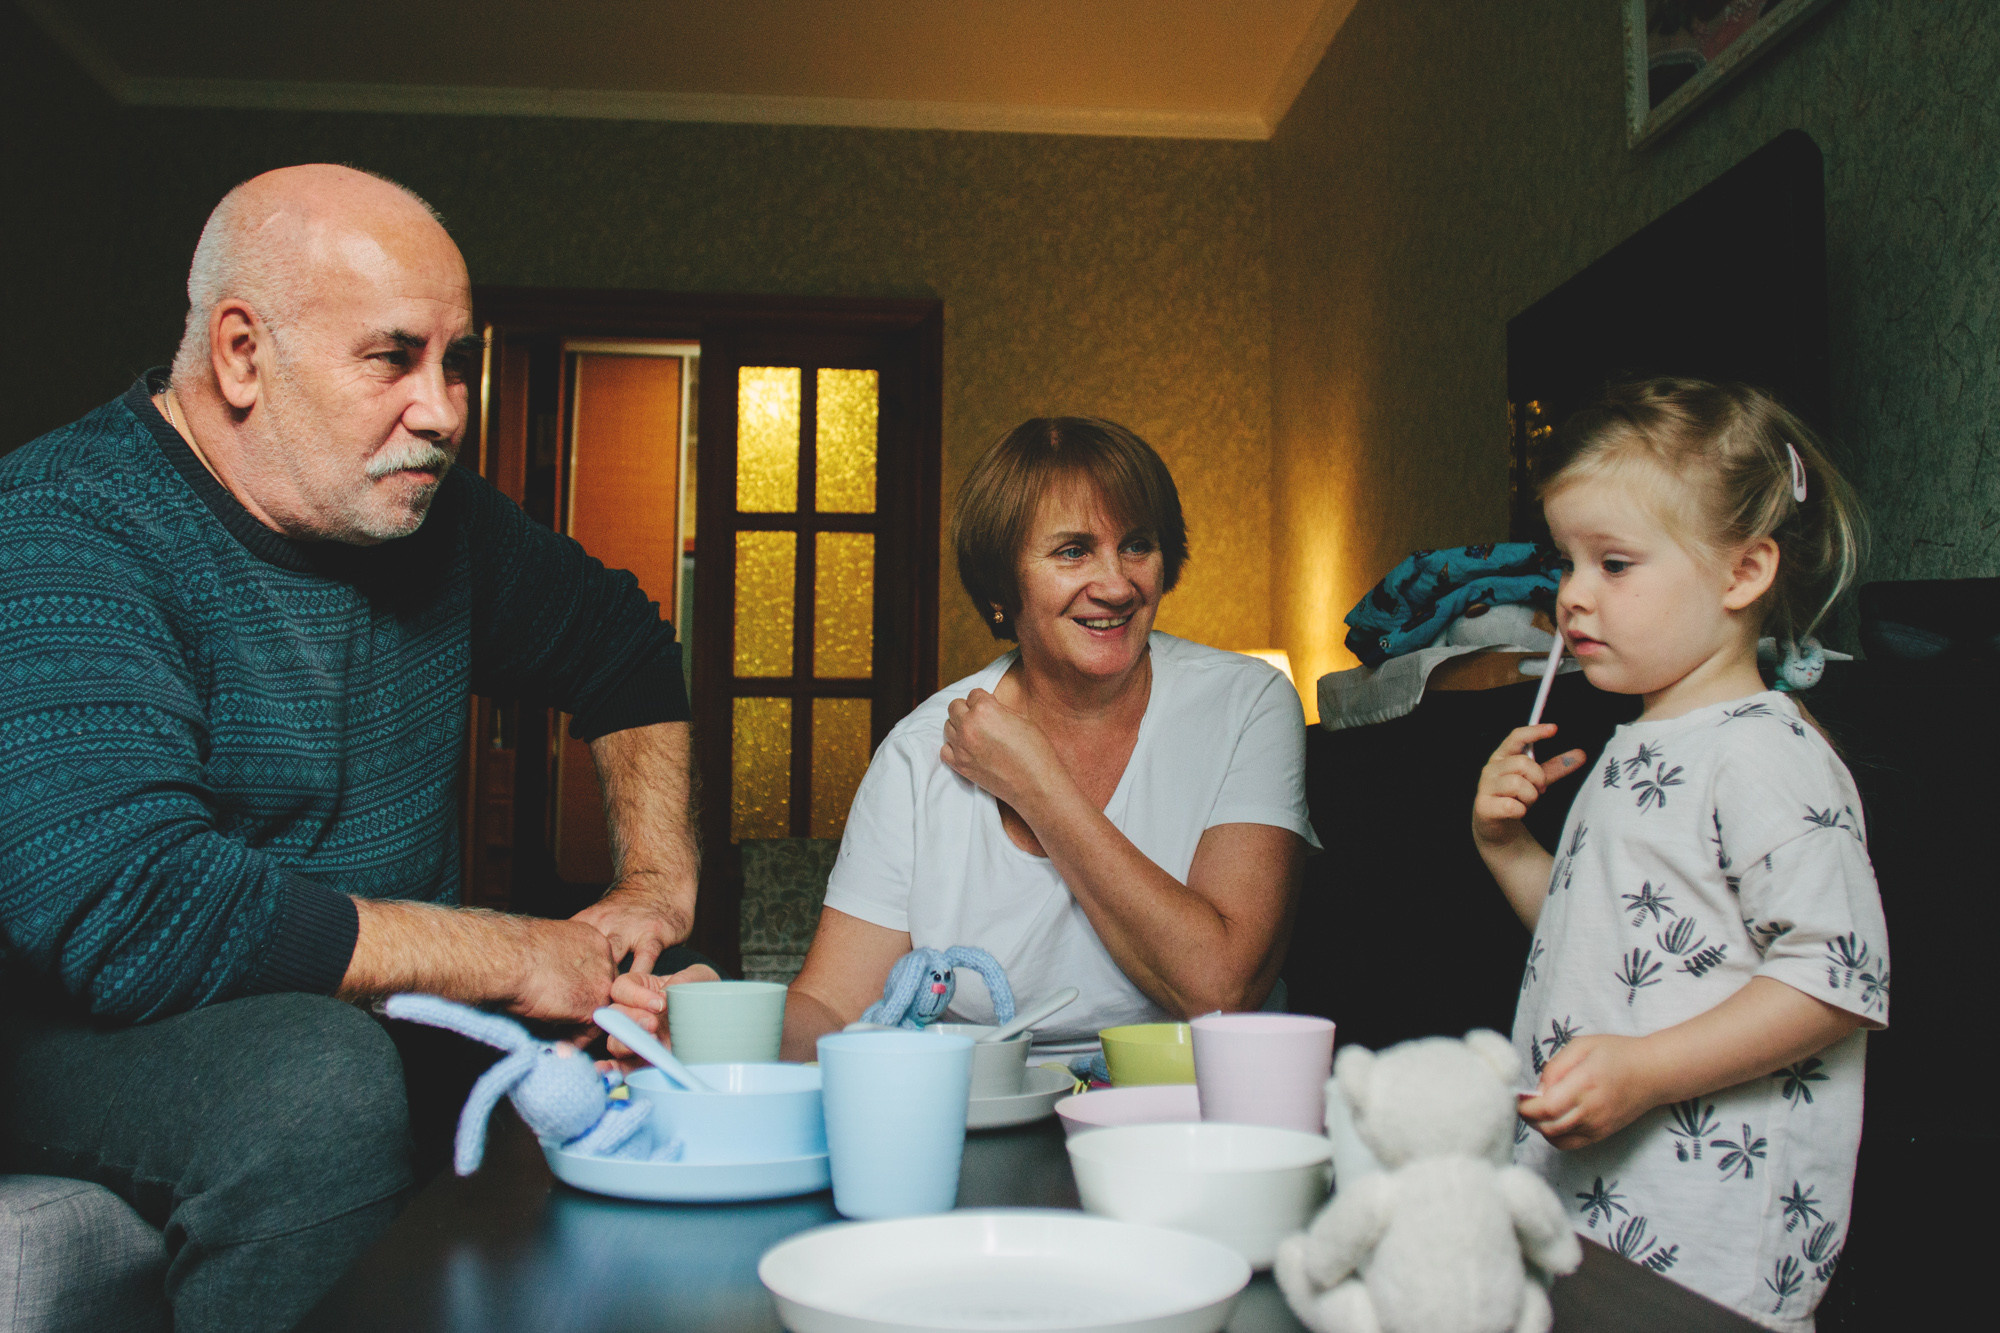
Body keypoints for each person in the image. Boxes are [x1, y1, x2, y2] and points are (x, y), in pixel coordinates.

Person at [0, 165, 707, 1331]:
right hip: (81, 1033)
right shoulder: (62, 526)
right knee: (311, 1078)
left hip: (365, 1005)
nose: (442, 409)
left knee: (627, 1055)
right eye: (393, 358)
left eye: (457, 361)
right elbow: (133, 912)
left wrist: (652, 888)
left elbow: (622, 648)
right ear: (240, 354)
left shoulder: (436, 518)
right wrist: (517, 956)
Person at [1472, 378, 1887, 1330]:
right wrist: (1506, 845)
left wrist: (1647, 1071)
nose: (1571, 596)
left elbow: (1836, 979)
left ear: (1743, 575)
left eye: (1613, 563)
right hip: (1606, 1202)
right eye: (1565, 562)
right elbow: (1612, 939)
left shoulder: (1764, 755)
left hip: (1708, 1228)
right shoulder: (1646, 741)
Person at [782, 418, 1318, 1059]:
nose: (1118, 585)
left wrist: (1039, 786)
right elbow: (833, 1005)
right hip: (980, 1112)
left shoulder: (1248, 703)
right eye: (1073, 551)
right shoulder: (917, 750)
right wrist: (711, 1028)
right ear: (1002, 584)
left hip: (1192, 1105)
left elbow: (1222, 989)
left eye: (1138, 545)